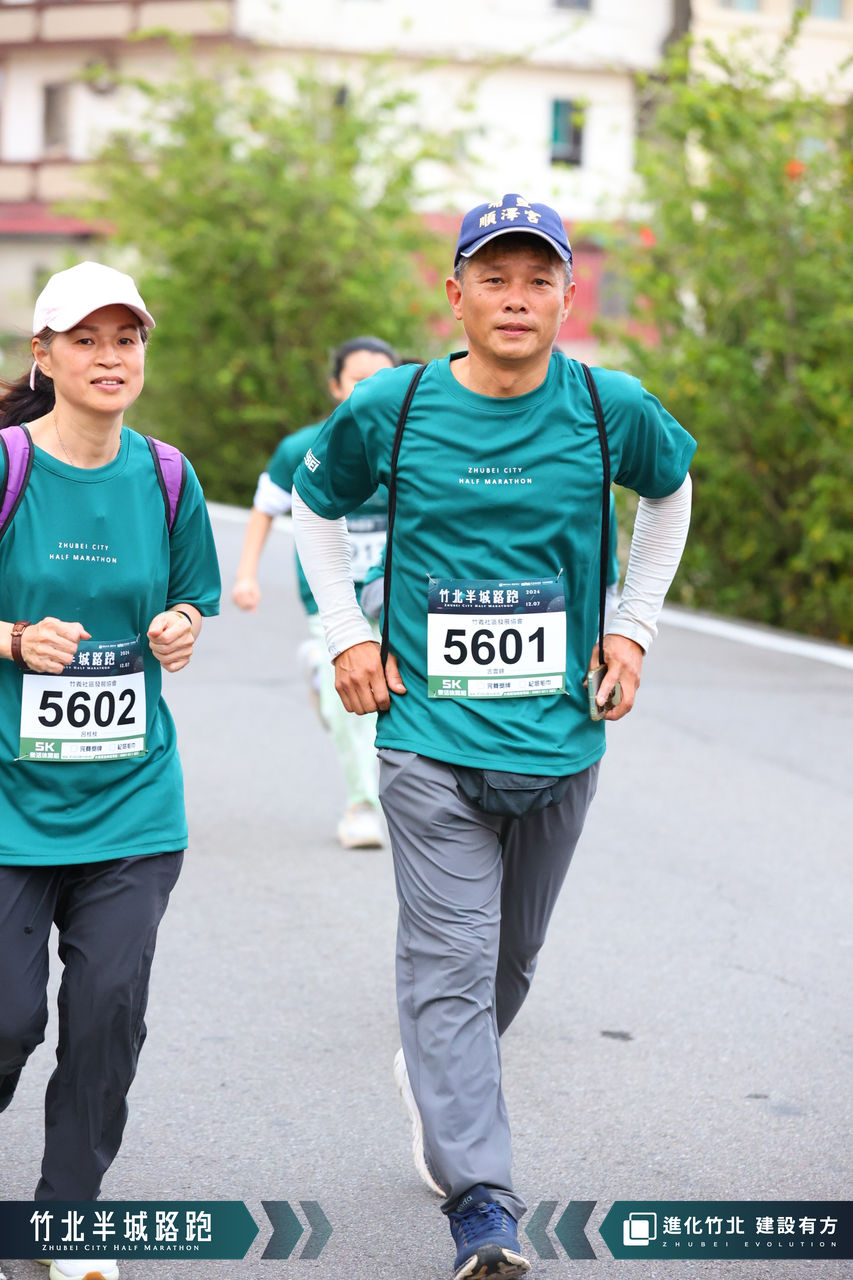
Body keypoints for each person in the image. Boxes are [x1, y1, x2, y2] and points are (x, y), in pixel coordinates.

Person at [291, 192, 695, 1280]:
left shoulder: (608, 406)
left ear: (567, 296)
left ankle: (432, 1075)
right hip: (425, 733)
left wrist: (633, 628)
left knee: (509, 959)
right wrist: (345, 634)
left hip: (562, 735)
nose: (516, 298)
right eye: (494, 277)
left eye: (537, 280)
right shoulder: (394, 405)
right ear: (455, 292)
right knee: (454, 961)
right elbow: (312, 509)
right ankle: (483, 1203)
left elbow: (669, 495)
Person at [0, 261, 220, 1280]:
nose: (108, 357)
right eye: (84, 339)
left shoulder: (168, 477)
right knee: (7, 1019)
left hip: (132, 800)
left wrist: (180, 624)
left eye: (124, 338)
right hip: (9, 802)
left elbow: (191, 596)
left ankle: (68, 1217)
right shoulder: (7, 467)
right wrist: (12, 638)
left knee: (106, 1017)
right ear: (43, 355)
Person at [232, 336, 397, 849]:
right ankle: (363, 805)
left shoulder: (415, 440)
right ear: (335, 386)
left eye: (381, 379)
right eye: (358, 380)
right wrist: (246, 575)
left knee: (388, 697)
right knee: (349, 708)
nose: (369, 389)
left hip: (398, 598)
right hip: (332, 601)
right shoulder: (301, 448)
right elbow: (265, 509)